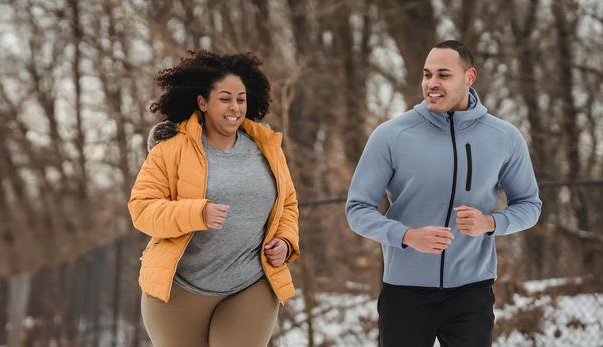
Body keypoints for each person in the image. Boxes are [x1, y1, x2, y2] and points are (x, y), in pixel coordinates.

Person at [345, 40, 542, 347]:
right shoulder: (392, 135)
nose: (431, 84)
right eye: (427, 74)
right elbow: (357, 209)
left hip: (471, 292)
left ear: (470, 77)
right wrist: (407, 236)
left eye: (443, 75)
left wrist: (490, 224)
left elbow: (530, 205)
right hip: (405, 291)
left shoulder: (504, 137)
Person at [128, 50, 299, 347]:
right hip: (179, 291)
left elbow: (287, 204)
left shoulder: (267, 149)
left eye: (240, 99)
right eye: (225, 98)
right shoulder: (170, 149)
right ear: (203, 102)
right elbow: (142, 210)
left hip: (249, 283)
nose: (234, 107)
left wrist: (285, 242)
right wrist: (197, 213)